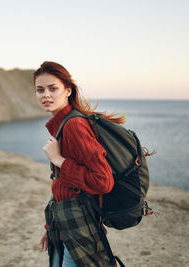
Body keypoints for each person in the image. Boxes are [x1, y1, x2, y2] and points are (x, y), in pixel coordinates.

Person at [35, 61, 125, 267]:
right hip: (67, 226)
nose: (45, 95)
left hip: (80, 229)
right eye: (40, 90)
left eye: (52, 88)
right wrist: (50, 227)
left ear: (68, 90)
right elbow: (64, 185)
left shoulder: (74, 125)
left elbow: (103, 181)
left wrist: (58, 160)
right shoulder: (62, 125)